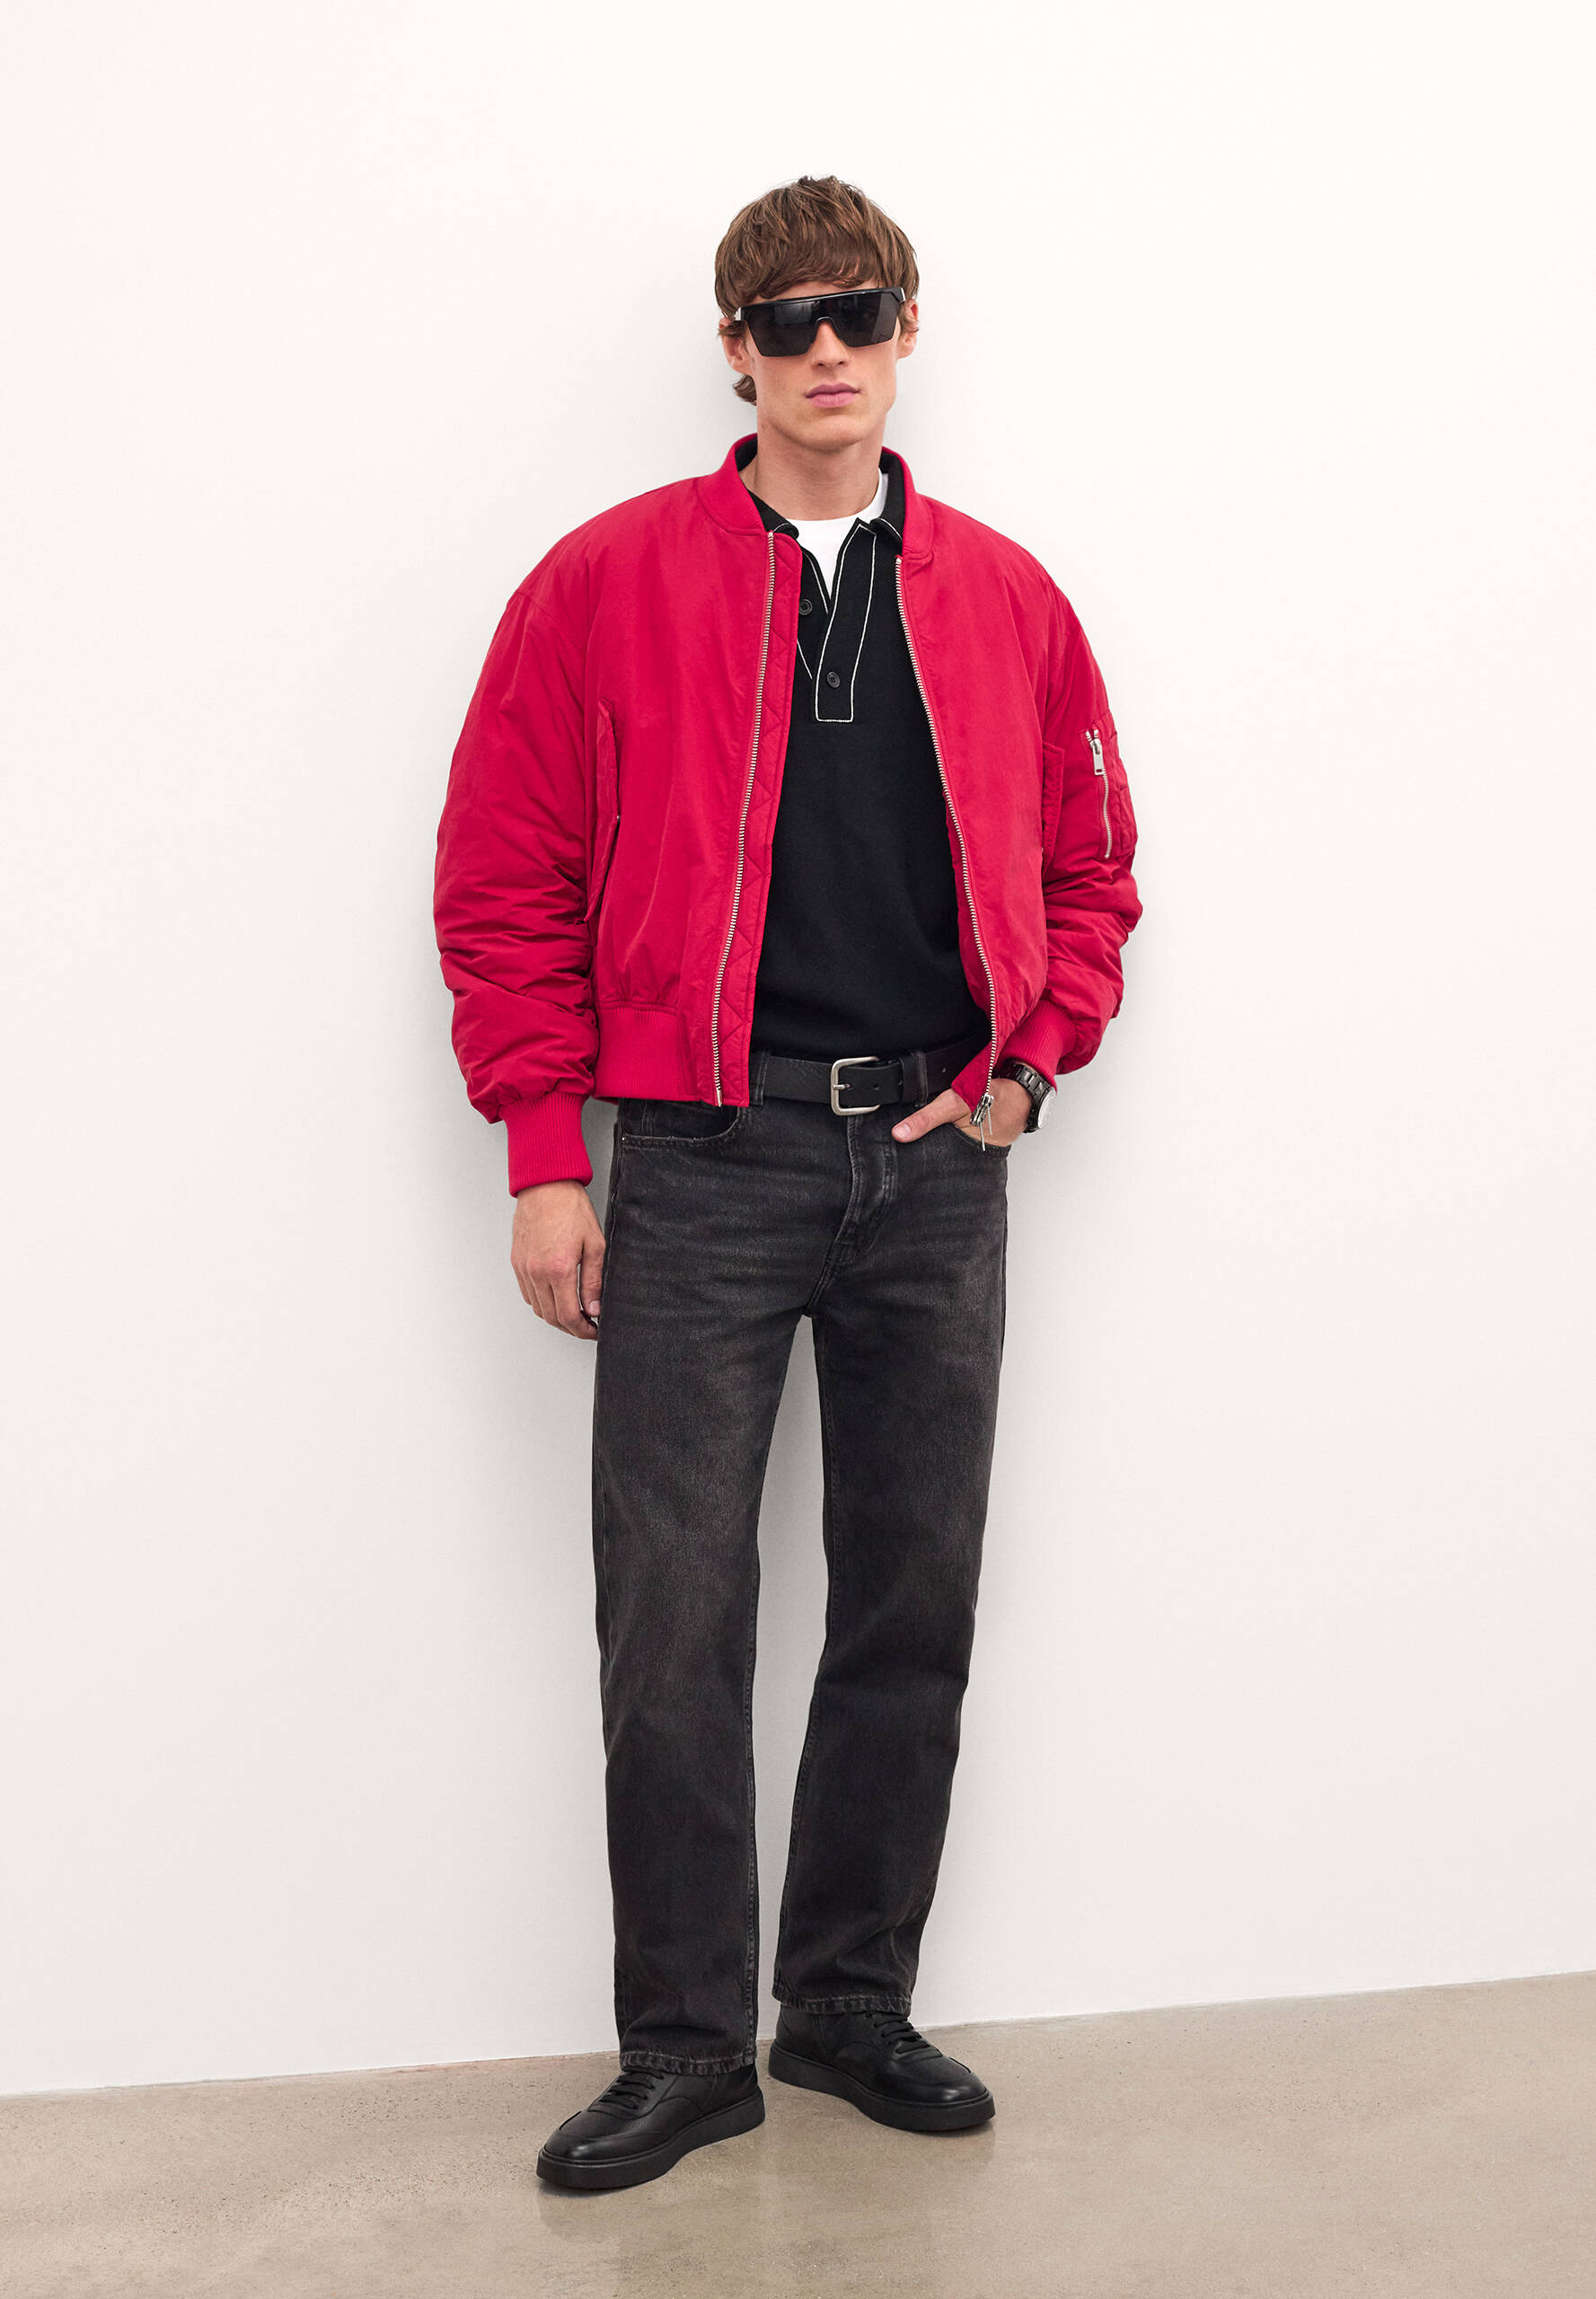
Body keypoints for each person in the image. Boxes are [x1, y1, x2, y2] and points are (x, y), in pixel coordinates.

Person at [433, 174, 1142, 2192]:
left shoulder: (1006, 597)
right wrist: (544, 1157)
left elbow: (1092, 870)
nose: (824, 350)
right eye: (784, 320)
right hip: (701, 1156)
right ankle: (684, 2049)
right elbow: (503, 880)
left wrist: (1028, 1067)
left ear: (906, 330)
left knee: (909, 1597)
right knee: (673, 1616)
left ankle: (844, 2006)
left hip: (935, 1160)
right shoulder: (602, 583)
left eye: (858, 312)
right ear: (734, 352)